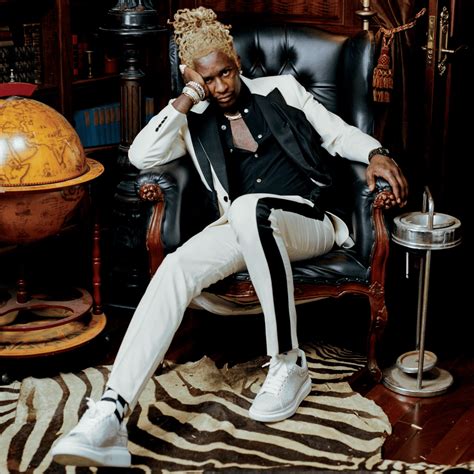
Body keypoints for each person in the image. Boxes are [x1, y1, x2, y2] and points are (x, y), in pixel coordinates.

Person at [51, 6, 408, 468]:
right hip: (242, 227)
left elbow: (337, 135)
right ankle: (110, 413)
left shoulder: (282, 90)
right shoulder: (192, 117)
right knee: (177, 267)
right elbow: (141, 156)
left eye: (226, 73)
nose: (220, 86)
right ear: (193, 78)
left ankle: (288, 362)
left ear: (236, 64)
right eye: (208, 79)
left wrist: (376, 152)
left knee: (248, 208)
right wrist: (186, 99)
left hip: (309, 222)